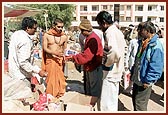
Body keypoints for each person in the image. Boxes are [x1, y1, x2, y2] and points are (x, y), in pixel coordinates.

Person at [66, 19, 103, 108]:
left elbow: (87, 56)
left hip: (94, 67)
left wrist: (74, 58)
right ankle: (89, 106)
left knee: (94, 90)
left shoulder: (93, 39)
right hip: (90, 67)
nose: (81, 33)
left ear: (86, 30)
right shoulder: (90, 38)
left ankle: (93, 107)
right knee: (89, 88)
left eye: (82, 31)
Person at [95, 11, 126, 111]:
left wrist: (106, 64)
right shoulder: (117, 31)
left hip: (111, 72)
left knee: (107, 103)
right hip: (116, 71)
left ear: (104, 22)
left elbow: (114, 52)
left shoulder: (110, 32)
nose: (100, 27)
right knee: (112, 100)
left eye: (100, 24)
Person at [131, 21, 164, 111]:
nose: (139, 32)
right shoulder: (143, 43)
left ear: (147, 31)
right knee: (135, 101)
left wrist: (148, 81)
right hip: (137, 79)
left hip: (144, 81)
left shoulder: (156, 46)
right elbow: (138, 60)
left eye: (141, 30)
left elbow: (156, 66)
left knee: (140, 105)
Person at [8, 17, 47, 90]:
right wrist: (38, 71)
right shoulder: (25, 40)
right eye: (34, 29)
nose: (35, 31)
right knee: (24, 96)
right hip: (21, 75)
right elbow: (23, 62)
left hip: (14, 72)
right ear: (28, 28)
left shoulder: (16, 34)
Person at [42, 18, 68, 98]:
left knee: (60, 79)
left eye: (62, 27)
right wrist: (53, 53)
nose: (60, 29)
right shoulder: (47, 35)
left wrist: (64, 56)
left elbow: (65, 49)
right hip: (50, 60)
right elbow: (45, 48)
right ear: (54, 26)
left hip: (59, 61)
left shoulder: (64, 36)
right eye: (59, 27)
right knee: (51, 80)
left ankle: (59, 94)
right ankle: (51, 96)